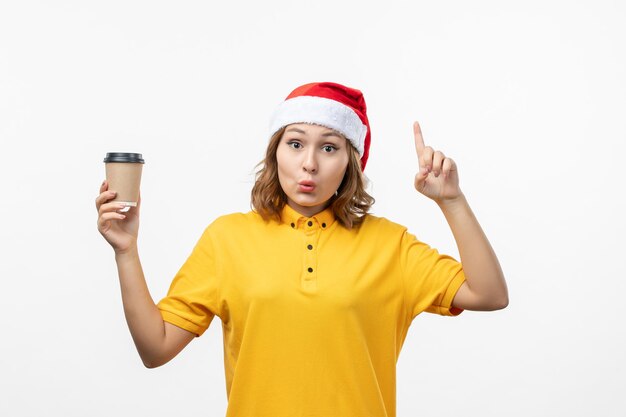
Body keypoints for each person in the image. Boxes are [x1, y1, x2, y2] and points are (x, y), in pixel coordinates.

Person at [96, 81, 508, 416]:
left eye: (329, 147)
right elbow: (155, 348)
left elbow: (489, 295)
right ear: (275, 152)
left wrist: (451, 201)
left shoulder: (390, 245)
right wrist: (126, 251)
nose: (309, 163)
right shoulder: (228, 239)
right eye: (295, 143)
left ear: (351, 162)